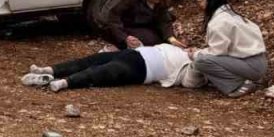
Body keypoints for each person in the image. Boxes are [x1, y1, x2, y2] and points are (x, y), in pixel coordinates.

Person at [21, 42, 205, 92]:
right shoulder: (175, 48)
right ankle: (49, 71)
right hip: (134, 52)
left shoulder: (190, 67)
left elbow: (192, 80)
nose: (193, 49)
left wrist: (196, 57)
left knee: (103, 72)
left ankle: (65, 82)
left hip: (143, 68)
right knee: (89, 60)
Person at [190, 0, 269, 98]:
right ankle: (246, 80)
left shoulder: (219, 22)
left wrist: (196, 53)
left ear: (210, 1)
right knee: (204, 57)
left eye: (202, 1)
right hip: (259, 62)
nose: (200, 4)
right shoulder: (232, 16)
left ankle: (238, 85)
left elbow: (218, 52)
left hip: (250, 65)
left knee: (201, 61)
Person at [90, 0, 185, 50]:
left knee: (165, 42)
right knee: (150, 42)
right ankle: (114, 49)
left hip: (139, 24)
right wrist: (124, 37)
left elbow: (163, 18)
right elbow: (111, 17)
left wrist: (170, 37)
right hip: (116, 26)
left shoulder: (160, 0)